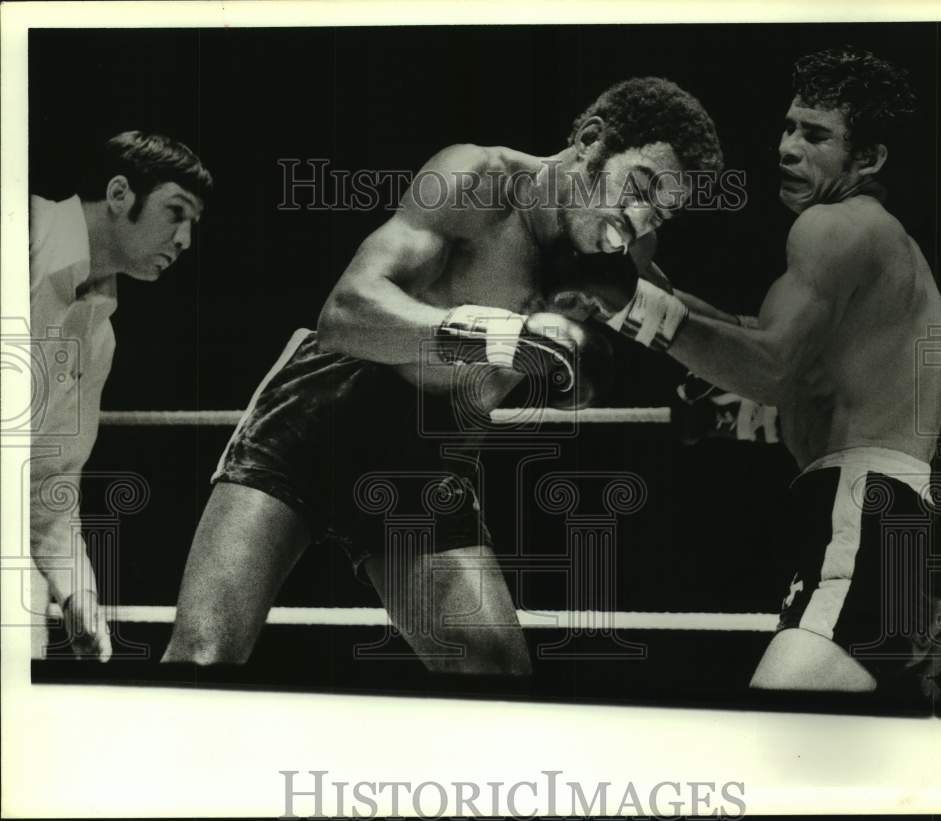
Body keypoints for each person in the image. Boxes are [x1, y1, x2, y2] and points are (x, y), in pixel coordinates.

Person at [162, 77, 724, 673]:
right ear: (590, 141)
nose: (638, 219)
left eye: (660, 209)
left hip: (430, 453)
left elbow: (690, 324)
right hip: (322, 409)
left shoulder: (623, 252)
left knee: (496, 676)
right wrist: (500, 337)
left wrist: (736, 389)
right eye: (637, 188)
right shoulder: (477, 179)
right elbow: (345, 312)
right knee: (205, 656)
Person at [565, 48, 941, 697]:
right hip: (888, 519)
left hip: (862, 513)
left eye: (816, 135)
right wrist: (638, 290)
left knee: (768, 730)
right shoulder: (870, 242)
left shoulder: (834, 228)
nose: (788, 147)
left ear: (870, 159)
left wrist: (628, 303)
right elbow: (755, 338)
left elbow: (770, 370)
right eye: (789, 127)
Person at [30, 131, 211, 661]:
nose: (184, 241)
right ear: (118, 193)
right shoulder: (24, 228)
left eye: (193, 225)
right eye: (175, 213)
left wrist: (76, 590)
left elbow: (49, 482)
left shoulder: (97, 336)